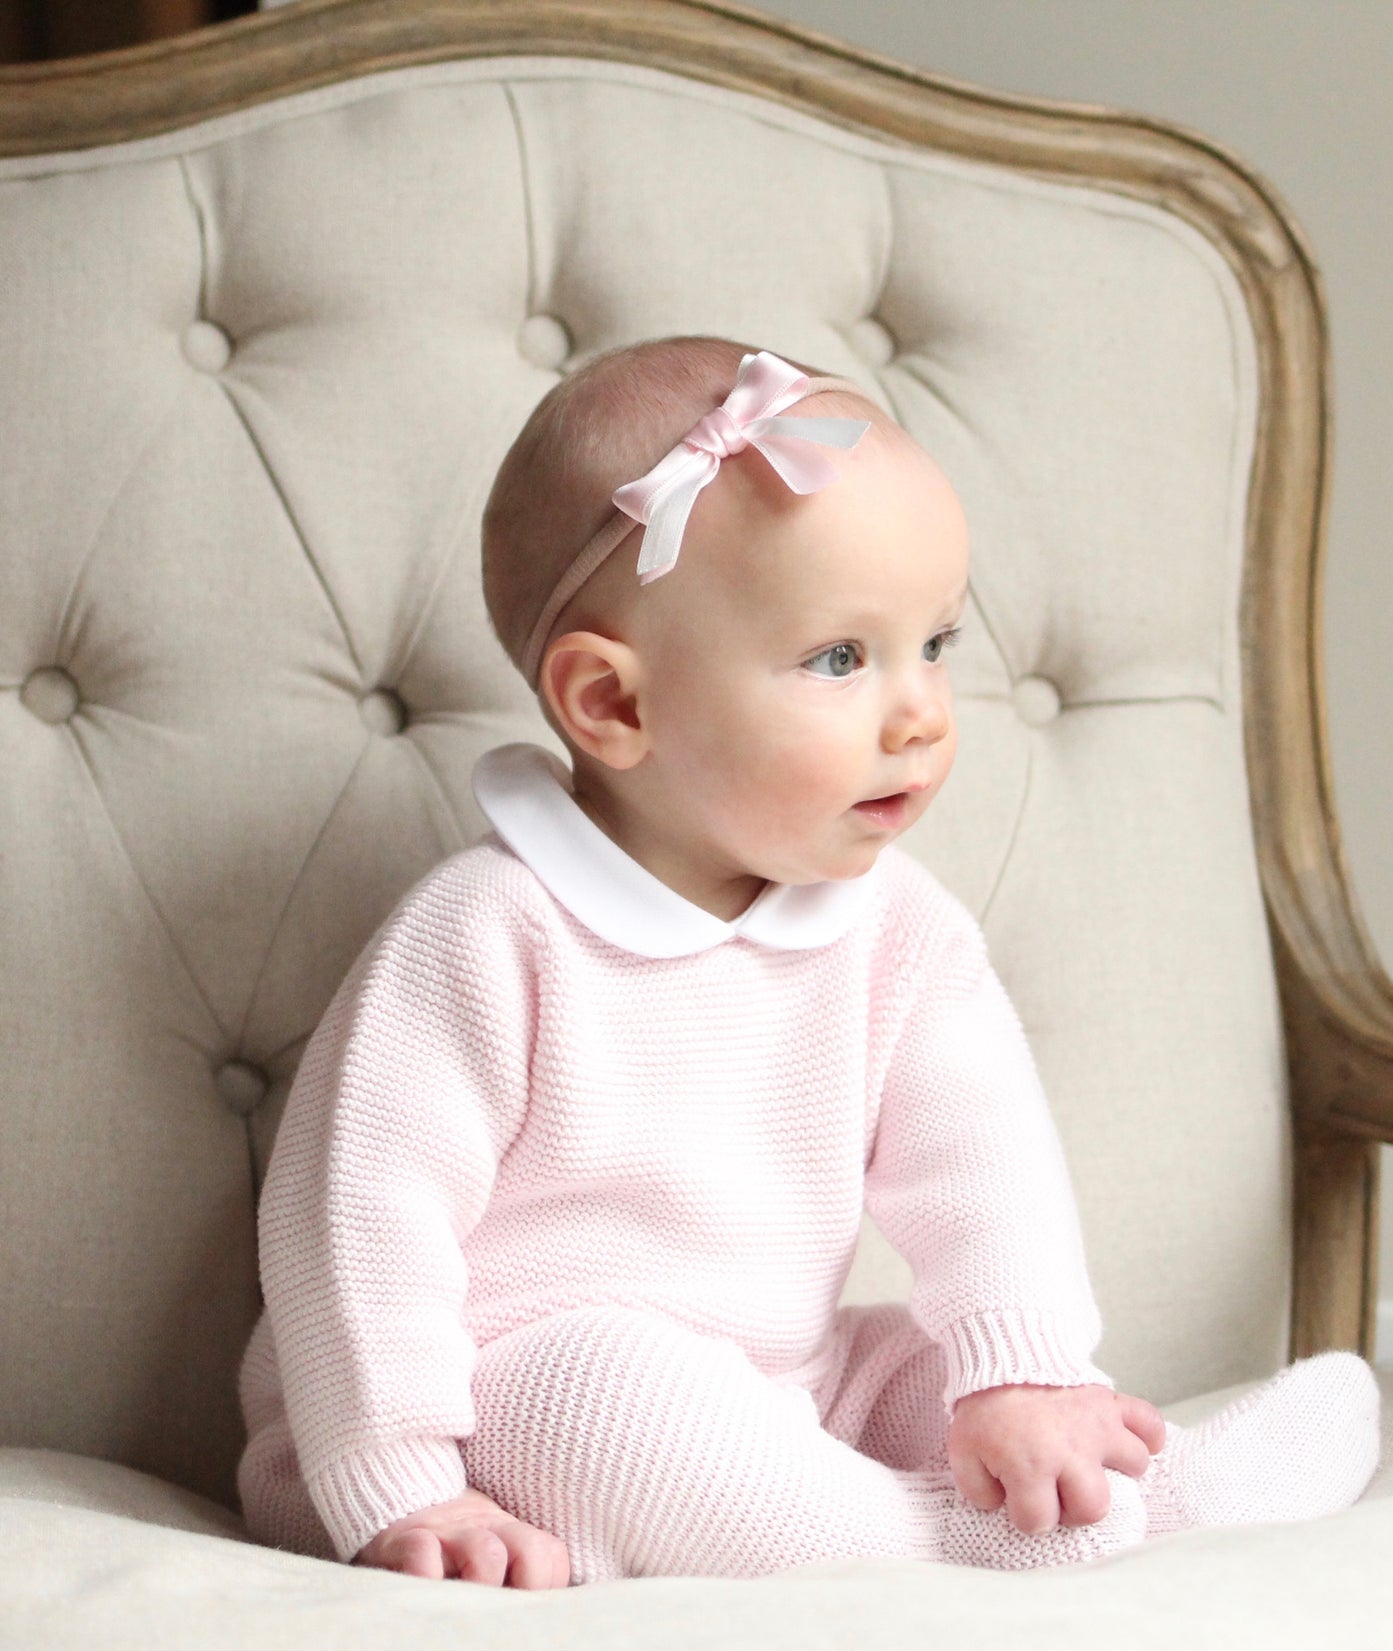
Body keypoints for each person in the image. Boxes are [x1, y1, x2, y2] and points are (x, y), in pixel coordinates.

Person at [237, 337, 1380, 1588]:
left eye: (935, 644)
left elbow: (983, 1165)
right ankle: (960, 1544)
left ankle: (1132, 1490)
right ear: (614, 705)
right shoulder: (485, 934)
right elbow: (353, 1229)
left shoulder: (898, 930)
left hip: (789, 1381)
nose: (922, 713)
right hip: (488, 1415)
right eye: (842, 659)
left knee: (927, 1366)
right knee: (607, 1393)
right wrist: (400, 1480)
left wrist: (1018, 1377)